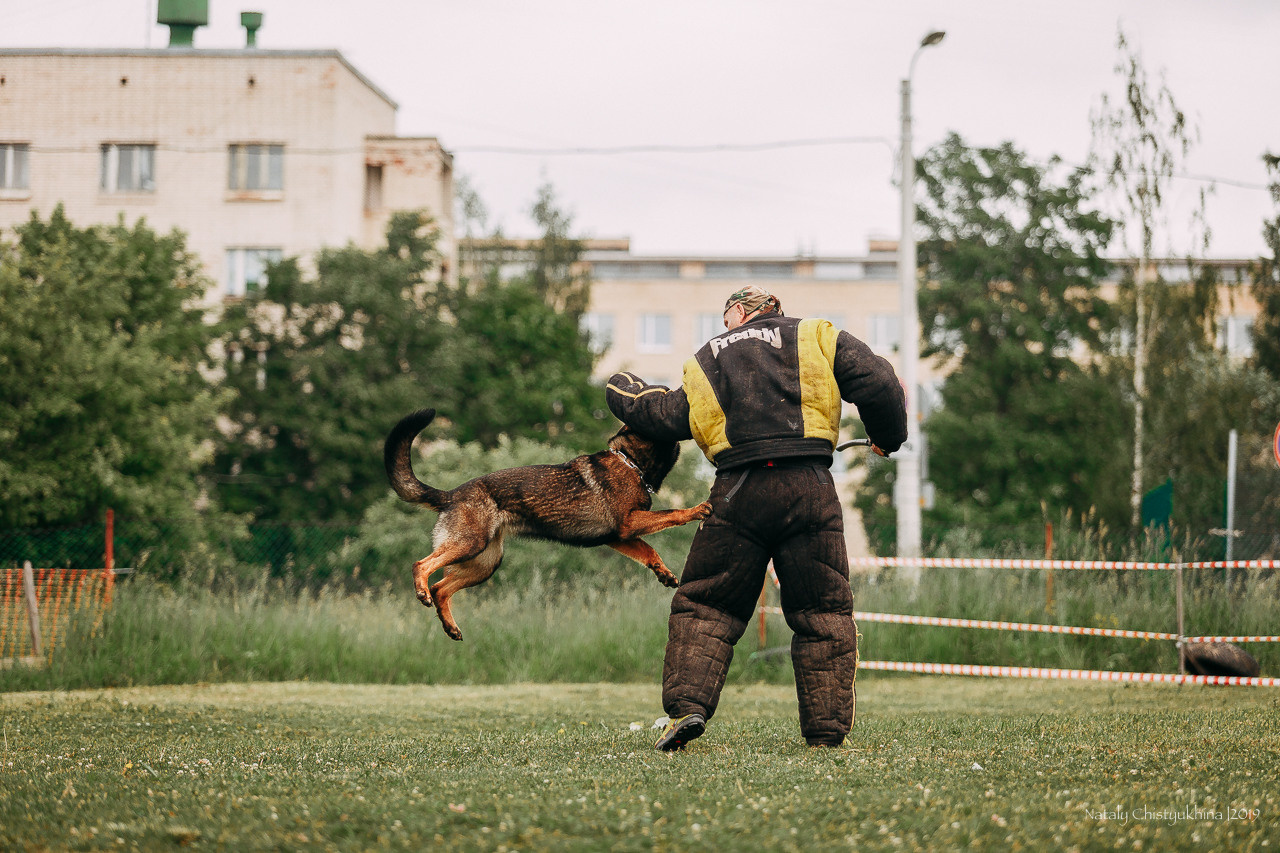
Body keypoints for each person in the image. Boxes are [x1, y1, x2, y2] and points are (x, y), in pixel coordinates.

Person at [605, 285, 907, 750]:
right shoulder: (817, 335)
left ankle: (687, 709)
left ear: (742, 311)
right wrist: (888, 436)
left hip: (738, 490)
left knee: (707, 604)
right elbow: (879, 380)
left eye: (726, 315)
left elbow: (665, 415)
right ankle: (826, 733)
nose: (724, 325)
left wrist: (623, 391)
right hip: (810, 486)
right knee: (822, 610)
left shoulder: (708, 358)